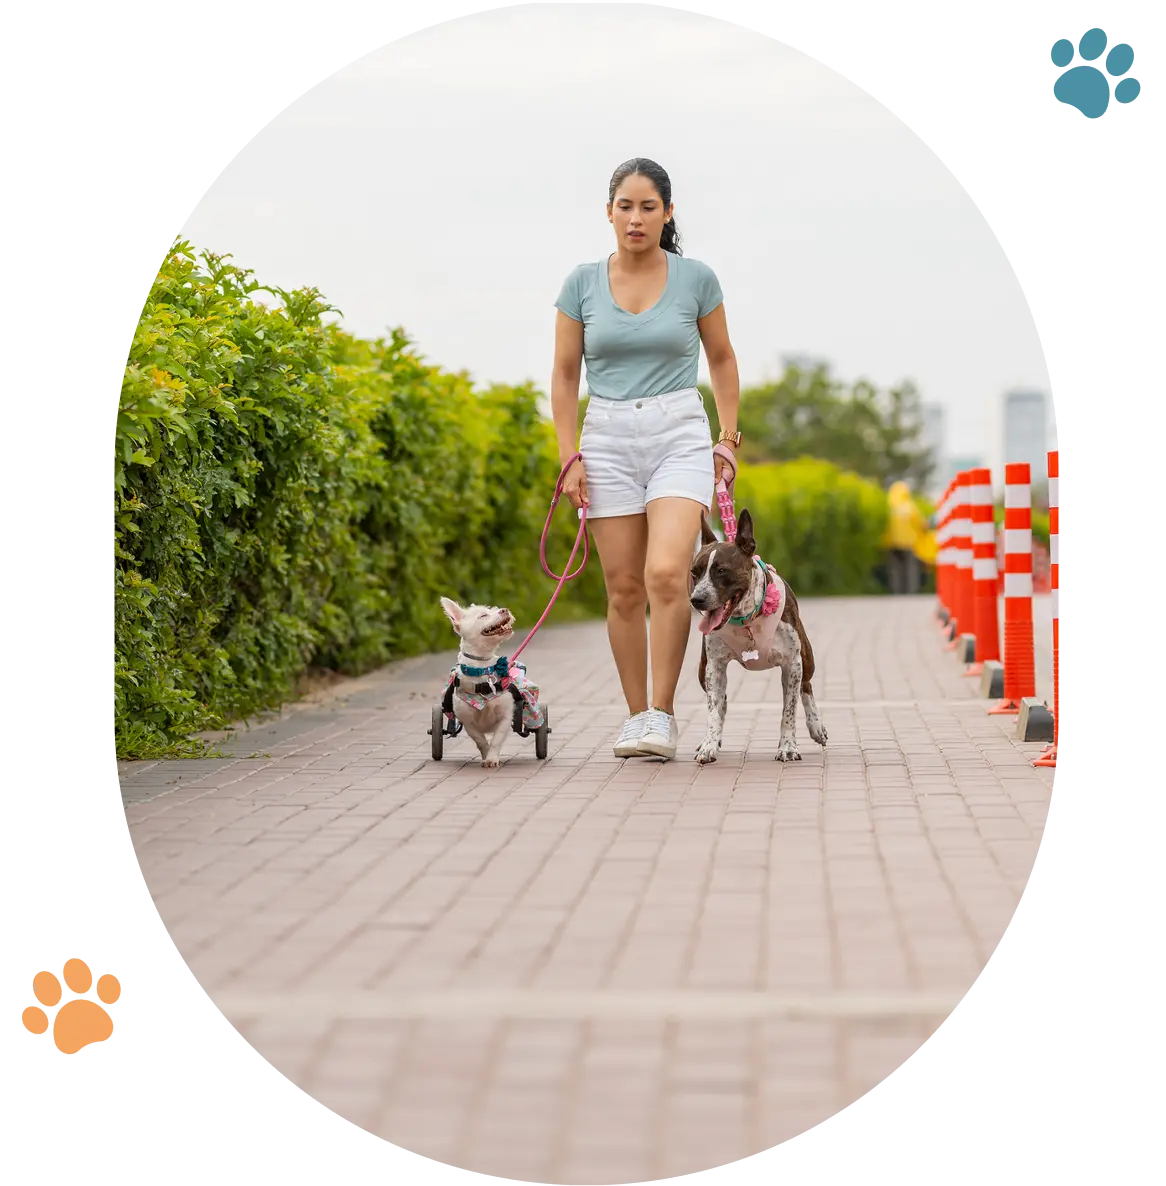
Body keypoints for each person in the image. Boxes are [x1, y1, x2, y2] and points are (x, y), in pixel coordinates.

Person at [549, 157, 742, 760]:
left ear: (668, 212)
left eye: (648, 206)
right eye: (625, 206)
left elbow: (723, 359)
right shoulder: (580, 284)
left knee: (667, 573)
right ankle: (636, 717)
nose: (636, 218)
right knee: (624, 588)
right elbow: (562, 375)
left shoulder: (696, 279)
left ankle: (662, 713)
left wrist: (728, 440)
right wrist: (569, 457)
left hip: (679, 431)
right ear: (608, 212)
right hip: (605, 435)